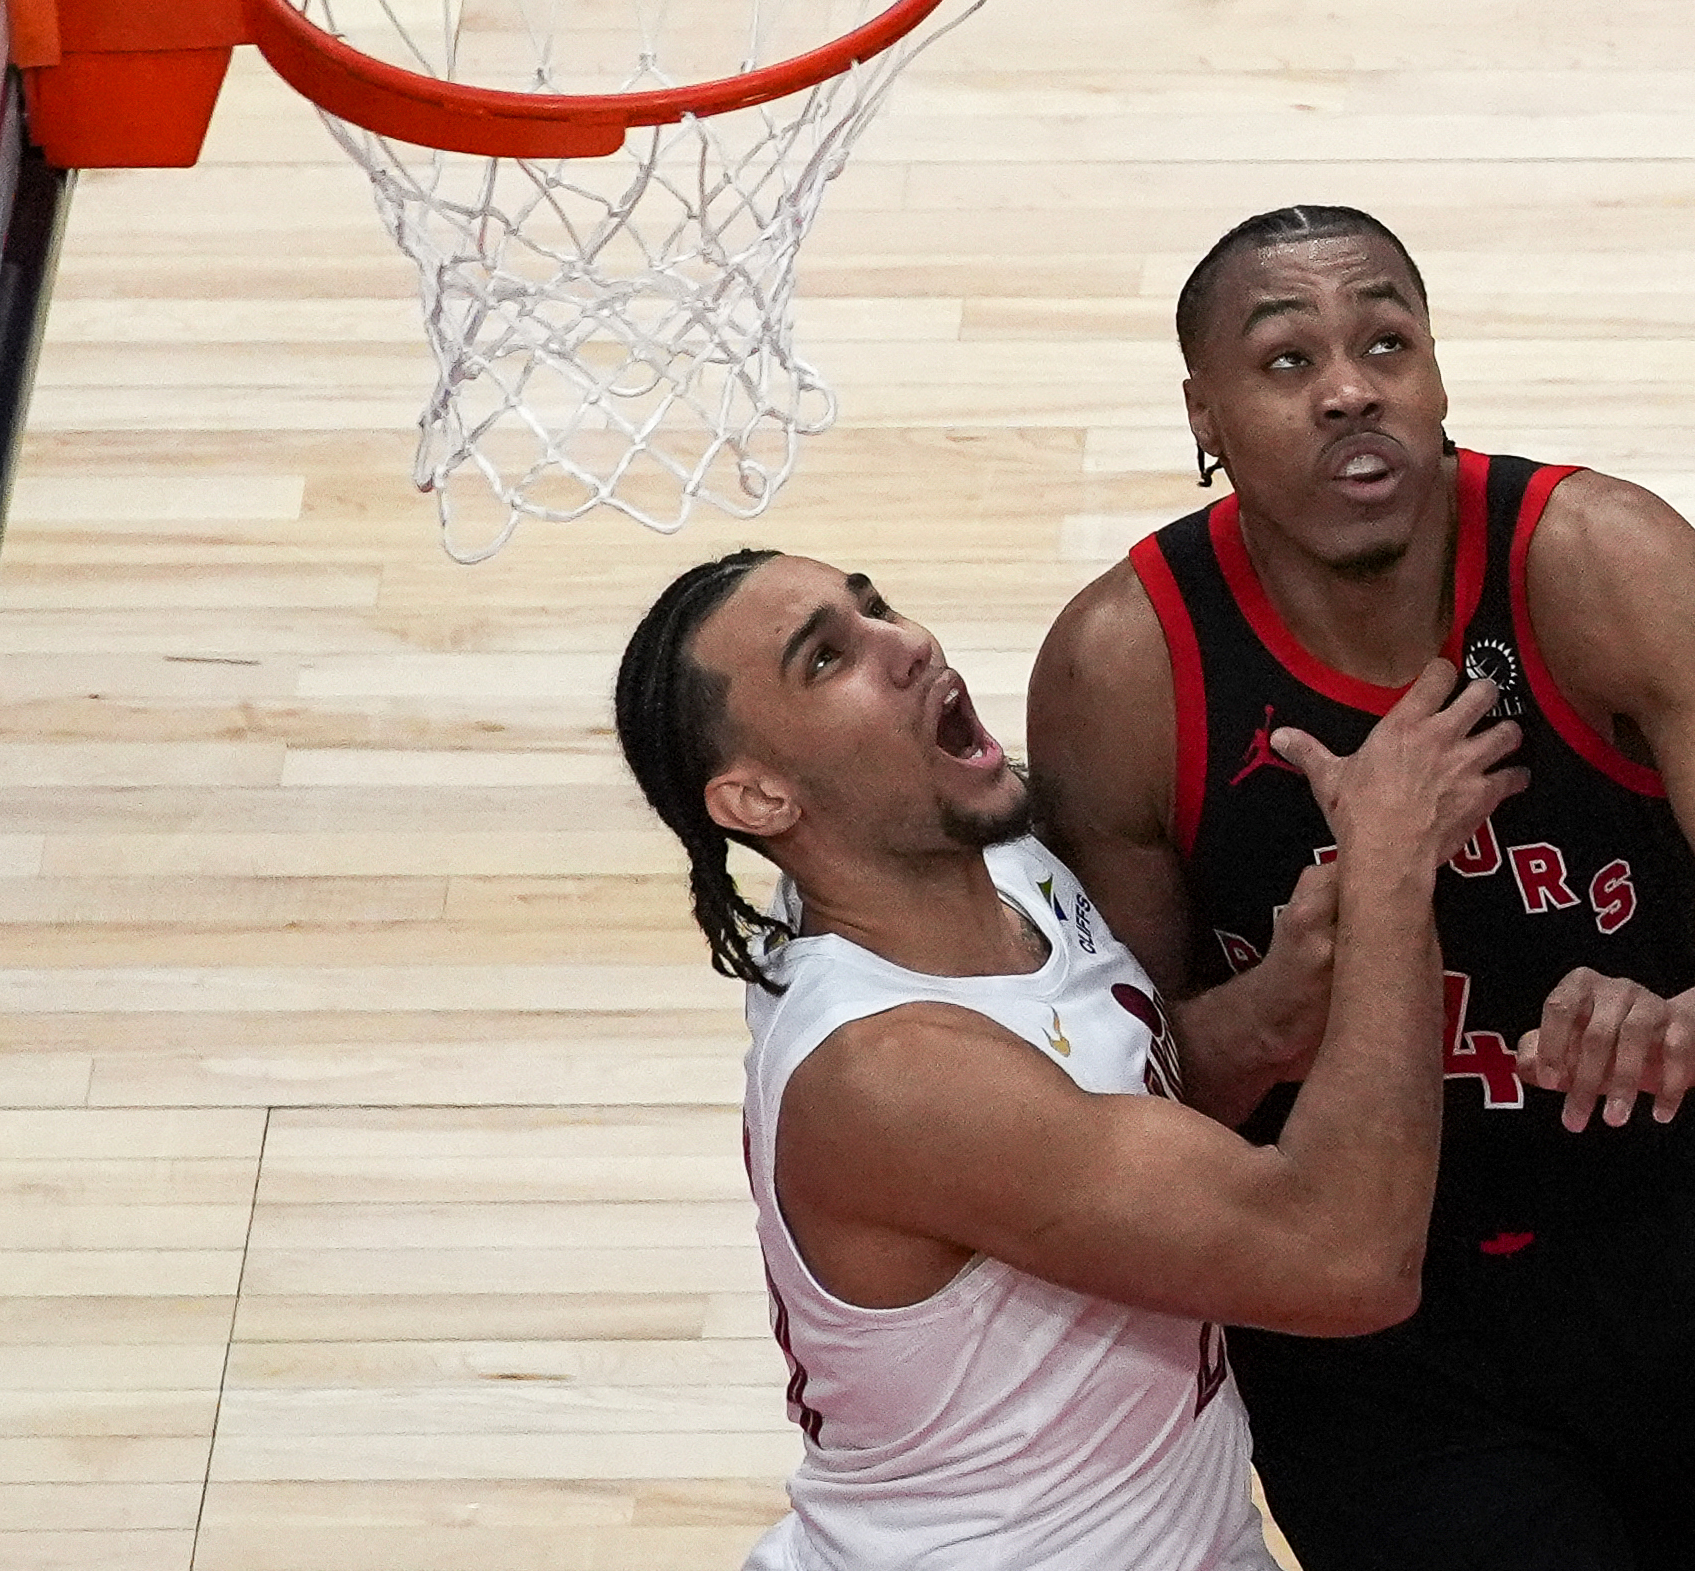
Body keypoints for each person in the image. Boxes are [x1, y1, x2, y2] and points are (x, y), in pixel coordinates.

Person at [1025, 203, 1695, 1571]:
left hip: (1674, 1224)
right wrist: (1272, 1009)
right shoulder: (1126, 668)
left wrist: (1691, 1032)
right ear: (1202, 411)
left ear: (1436, 372)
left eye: (1387, 339)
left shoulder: (1597, 562)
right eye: (1286, 361)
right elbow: (1120, 1130)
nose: (1351, 387)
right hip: (1371, 1320)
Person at [612, 545, 1523, 1571]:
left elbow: (1099, 1107)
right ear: (762, 801)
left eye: (876, 611)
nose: (906, 646)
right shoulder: (893, 1077)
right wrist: (1393, 864)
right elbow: (1347, 1260)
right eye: (826, 660)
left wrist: (1268, 1014)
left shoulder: (985, 857)